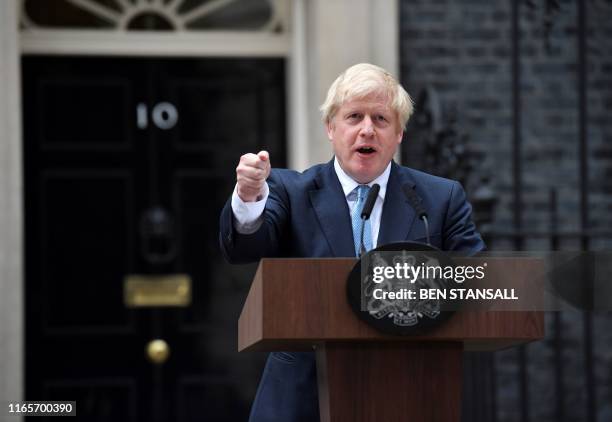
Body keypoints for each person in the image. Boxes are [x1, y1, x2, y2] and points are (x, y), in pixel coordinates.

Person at [219, 63, 485, 421]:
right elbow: (244, 248)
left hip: (411, 393)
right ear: (331, 127)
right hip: (302, 398)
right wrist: (248, 197)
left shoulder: (439, 199)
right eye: (354, 116)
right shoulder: (289, 190)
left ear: (399, 132)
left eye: (380, 119)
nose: (366, 130)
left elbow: (480, 284)